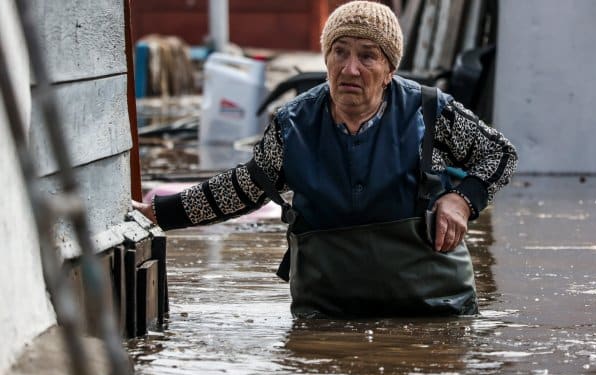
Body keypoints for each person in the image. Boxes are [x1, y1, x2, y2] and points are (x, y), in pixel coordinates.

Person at [134, 0, 517, 318]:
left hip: (433, 307)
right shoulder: (292, 124)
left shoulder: (430, 111)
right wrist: (161, 213)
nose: (351, 68)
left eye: (367, 56)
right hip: (328, 310)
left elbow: (500, 154)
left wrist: (463, 200)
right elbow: (244, 189)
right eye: (340, 52)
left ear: (390, 70)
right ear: (327, 58)